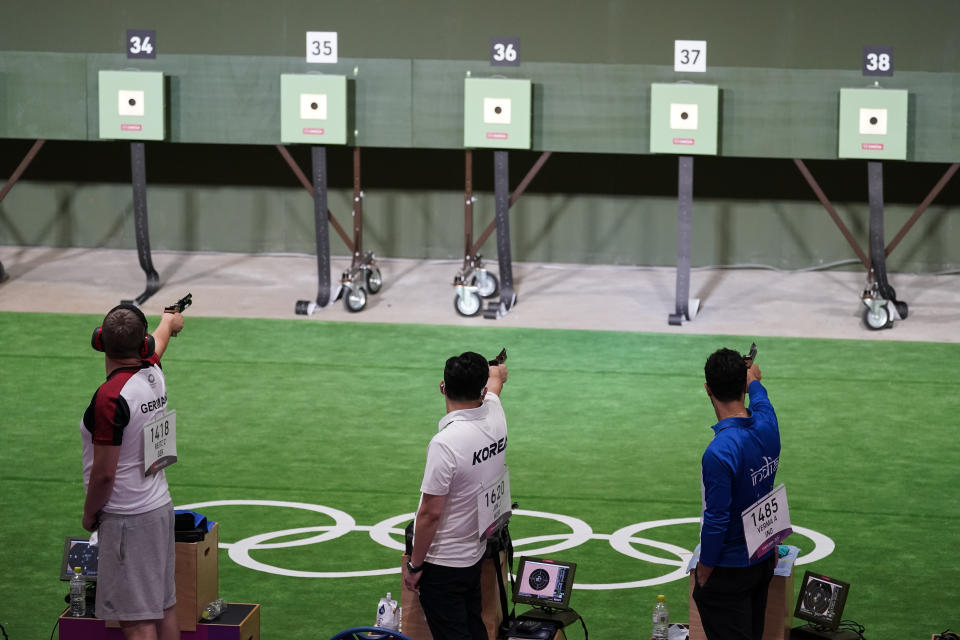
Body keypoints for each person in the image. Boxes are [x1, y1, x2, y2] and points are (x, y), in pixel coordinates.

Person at [81, 303, 184, 640]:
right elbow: (161, 338)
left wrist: (89, 513)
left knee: (136, 619)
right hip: (159, 507)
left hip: (127, 517)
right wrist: (169, 319)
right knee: (163, 605)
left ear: (100, 341)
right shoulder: (153, 371)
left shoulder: (111, 398)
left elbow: (104, 475)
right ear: (142, 347)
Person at [403, 352, 509, 640]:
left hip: (442, 563)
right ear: (483, 390)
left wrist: (415, 565)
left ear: (443, 387)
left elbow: (429, 514)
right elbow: (498, 378)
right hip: (474, 554)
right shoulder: (495, 412)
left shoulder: (445, 444)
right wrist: (496, 368)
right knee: (474, 630)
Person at [692, 347, 781, 640]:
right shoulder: (768, 423)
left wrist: (704, 568)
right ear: (743, 384)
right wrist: (753, 379)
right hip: (762, 560)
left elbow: (717, 518)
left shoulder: (719, 452)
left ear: (708, 389)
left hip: (729, 570)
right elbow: (760, 396)